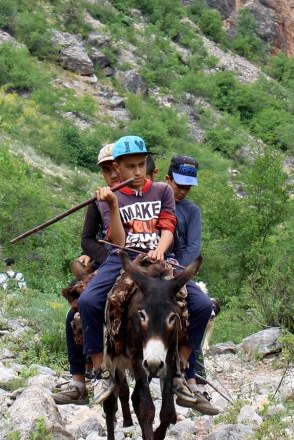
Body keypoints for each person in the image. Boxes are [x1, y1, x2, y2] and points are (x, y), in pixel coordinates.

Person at [79, 135, 214, 409]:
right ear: (117, 168)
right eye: (130, 167)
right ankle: (100, 371)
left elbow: (168, 228)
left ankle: (180, 368)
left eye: (141, 165)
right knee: (88, 301)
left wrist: (160, 250)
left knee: (202, 305)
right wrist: (113, 205)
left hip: (161, 257)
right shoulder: (110, 196)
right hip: (124, 259)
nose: (137, 172)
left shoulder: (163, 191)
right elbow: (118, 242)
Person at [52, 143, 120, 405]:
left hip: (142, 262)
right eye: (106, 170)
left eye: (116, 167)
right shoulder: (98, 200)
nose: (113, 174)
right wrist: (106, 258)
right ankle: (79, 381)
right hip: (109, 263)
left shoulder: (145, 196)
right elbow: (87, 239)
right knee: (75, 312)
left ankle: (187, 379)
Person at [164, 155, 220, 415]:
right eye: (179, 185)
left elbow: (193, 247)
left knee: (201, 307)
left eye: (188, 186)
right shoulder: (155, 201)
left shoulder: (192, 211)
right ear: (168, 179)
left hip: (180, 271)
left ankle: (191, 375)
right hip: (153, 266)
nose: (183, 191)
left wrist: (180, 273)